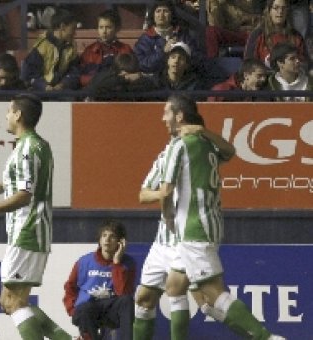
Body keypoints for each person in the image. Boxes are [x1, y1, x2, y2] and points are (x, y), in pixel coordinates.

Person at [155, 94, 284, 340]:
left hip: (194, 228)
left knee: (214, 293)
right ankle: (253, 335)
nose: (163, 118)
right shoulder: (207, 145)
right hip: (209, 224)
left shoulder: (179, 145)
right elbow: (230, 150)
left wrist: (167, 216)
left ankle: (267, 337)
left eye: (166, 113)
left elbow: (166, 190)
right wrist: (204, 131)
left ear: (179, 116)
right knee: (186, 292)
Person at [0, 94, 72, 340]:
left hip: (28, 229)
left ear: (19, 115)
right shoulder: (37, 144)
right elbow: (31, 184)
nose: (6, 115)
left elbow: (24, 196)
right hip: (28, 230)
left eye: (9, 111)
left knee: (14, 303)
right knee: (10, 302)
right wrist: (2, 186)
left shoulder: (27, 148)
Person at [63, 219, 135, 340]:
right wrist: (72, 310)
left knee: (127, 301)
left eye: (112, 236)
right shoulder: (84, 262)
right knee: (85, 308)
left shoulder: (128, 263)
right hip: (86, 310)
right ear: (99, 240)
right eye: (104, 235)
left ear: (120, 242)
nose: (107, 240)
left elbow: (123, 293)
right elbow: (70, 287)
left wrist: (117, 264)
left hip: (111, 311)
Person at [134, 0, 203, 74]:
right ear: (153, 15)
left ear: (172, 15)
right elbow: (142, 64)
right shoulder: (145, 39)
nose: (161, 15)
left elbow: (197, 58)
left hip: (182, 79)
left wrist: (181, 54)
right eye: (158, 11)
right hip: (155, 81)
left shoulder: (183, 36)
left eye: (165, 11)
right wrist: (162, 52)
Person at [20, 8, 80, 91]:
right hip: (39, 91)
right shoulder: (41, 45)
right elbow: (29, 74)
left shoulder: (72, 46)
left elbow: (74, 72)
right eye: (73, 29)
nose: (75, 33)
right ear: (62, 26)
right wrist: (44, 86)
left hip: (62, 91)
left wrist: (63, 84)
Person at [244, 0, 308, 69]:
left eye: (283, 8)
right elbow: (248, 64)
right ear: (269, 11)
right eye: (276, 8)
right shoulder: (257, 35)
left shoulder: (296, 37)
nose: (280, 11)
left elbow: (305, 62)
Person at [79, 9, 133, 87]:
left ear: (117, 29)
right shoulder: (89, 51)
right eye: (101, 27)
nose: (104, 31)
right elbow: (82, 77)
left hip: (119, 89)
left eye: (108, 27)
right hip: (95, 89)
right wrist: (100, 81)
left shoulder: (125, 49)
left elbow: (131, 74)